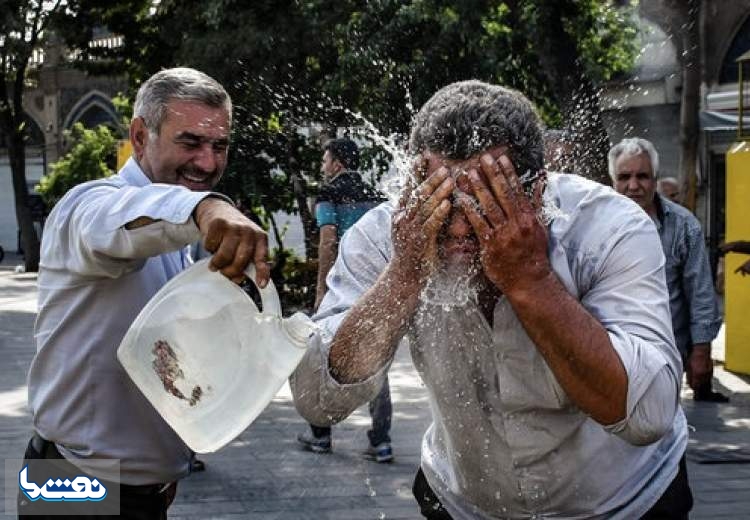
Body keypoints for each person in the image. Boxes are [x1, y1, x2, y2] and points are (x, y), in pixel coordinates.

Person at [291, 80, 691, 519]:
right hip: (464, 502)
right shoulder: (391, 235)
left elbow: (648, 414)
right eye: (443, 204)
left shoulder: (608, 229)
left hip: (626, 501)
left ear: (535, 192)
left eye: (484, 203)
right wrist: (403, 276)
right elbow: (318, 400)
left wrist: (531, 280)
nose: (460, 231)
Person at [20, 67, 269, 519]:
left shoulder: (178, 233)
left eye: (220, 146)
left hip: (143, 490)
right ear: (139, 136)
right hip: (70, 482)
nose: (208, 163)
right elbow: (123, 219)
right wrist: (206, 206)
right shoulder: (88, 205)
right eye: (190, 143)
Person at [297, 138, 394, 463]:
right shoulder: (374, 195)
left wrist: (322, 288)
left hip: (343, 285)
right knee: (377, 358)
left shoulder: (328, 195)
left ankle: (319, 435)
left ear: (337, 162)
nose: (323, 167)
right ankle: (381, 441)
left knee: (317, 352)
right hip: (376, 285)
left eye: (325, 161)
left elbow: (327, 240)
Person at [610, 137, 728, 403]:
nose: (633, 186)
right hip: (610, 354)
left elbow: (700, 292)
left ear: (655, 179)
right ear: (613, 182)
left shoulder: (684, 227)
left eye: (643, 176)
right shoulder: (594, 225)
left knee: (661, 435)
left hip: (666, 356)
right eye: (624, 177)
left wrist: (701, 351)